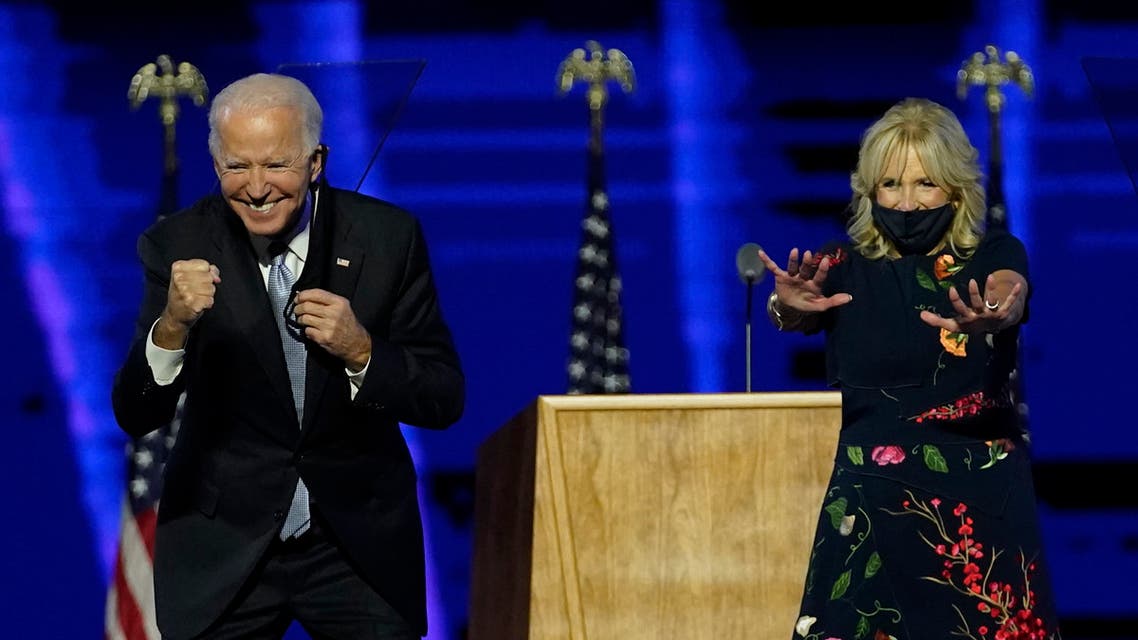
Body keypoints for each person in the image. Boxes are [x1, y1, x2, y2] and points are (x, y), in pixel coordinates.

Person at [111, 72, 464, 639]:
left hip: (357, 542)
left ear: (316, 162)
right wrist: (172, 325)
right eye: (237, 166)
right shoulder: (176, 245)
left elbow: (443, 397)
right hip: (224, 542)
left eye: (276, 165)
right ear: (216, 165)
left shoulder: (386, 238)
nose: (256, 188)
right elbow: (136, 412)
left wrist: (361, 350)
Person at [757, 97, 1062, 640]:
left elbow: (1008, 290)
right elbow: (796, 310)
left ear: (956, 188)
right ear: (870, 191)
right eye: (891, 184)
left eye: (925, 184)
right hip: (871, 507)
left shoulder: (991, 255)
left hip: (977, 510)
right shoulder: (842, 266)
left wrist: (996, 309)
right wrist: (784, 305)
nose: (907, 202)